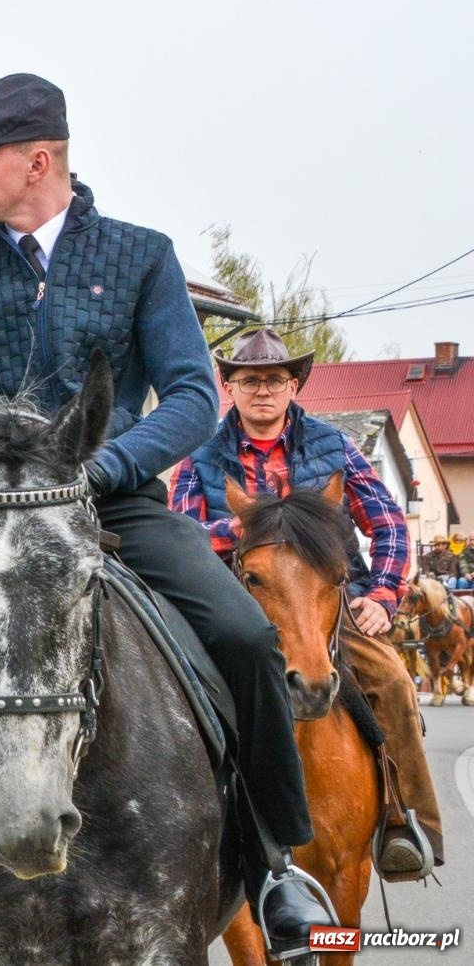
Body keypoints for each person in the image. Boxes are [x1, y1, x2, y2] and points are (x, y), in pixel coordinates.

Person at [0, 74, 333, 965]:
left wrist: (102, 465)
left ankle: (274, 868)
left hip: (116, 501)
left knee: (249, 639)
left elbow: (186, 395)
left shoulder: (141, 255)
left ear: (39, 159)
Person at [170, 327, 443, 878]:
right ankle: (167, 826)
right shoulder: (200, 456)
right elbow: (180, 532)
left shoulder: (333, 446)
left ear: (294, 385)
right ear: (231, 388)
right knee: (162, 689)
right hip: (233, 603)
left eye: (274, 379)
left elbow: (387, 523)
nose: (262, 390)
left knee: (390, 679)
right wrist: (252, 529)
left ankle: (404, 821)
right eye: (249, 380)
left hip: (328, 603)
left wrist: (384, 595)